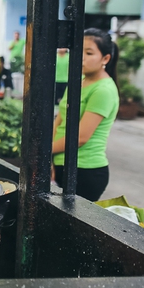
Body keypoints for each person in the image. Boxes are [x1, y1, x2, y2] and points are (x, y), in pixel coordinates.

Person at [52, 28, 119, 202]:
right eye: (78, 51)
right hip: (61, 166)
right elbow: (58, 121)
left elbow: (80, 137)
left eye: (89, 53)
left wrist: (42, 153)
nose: (81, 57)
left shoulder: (103, 90)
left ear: (105, 58)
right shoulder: (77, 82)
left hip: (85, 171)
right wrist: (48, 159)